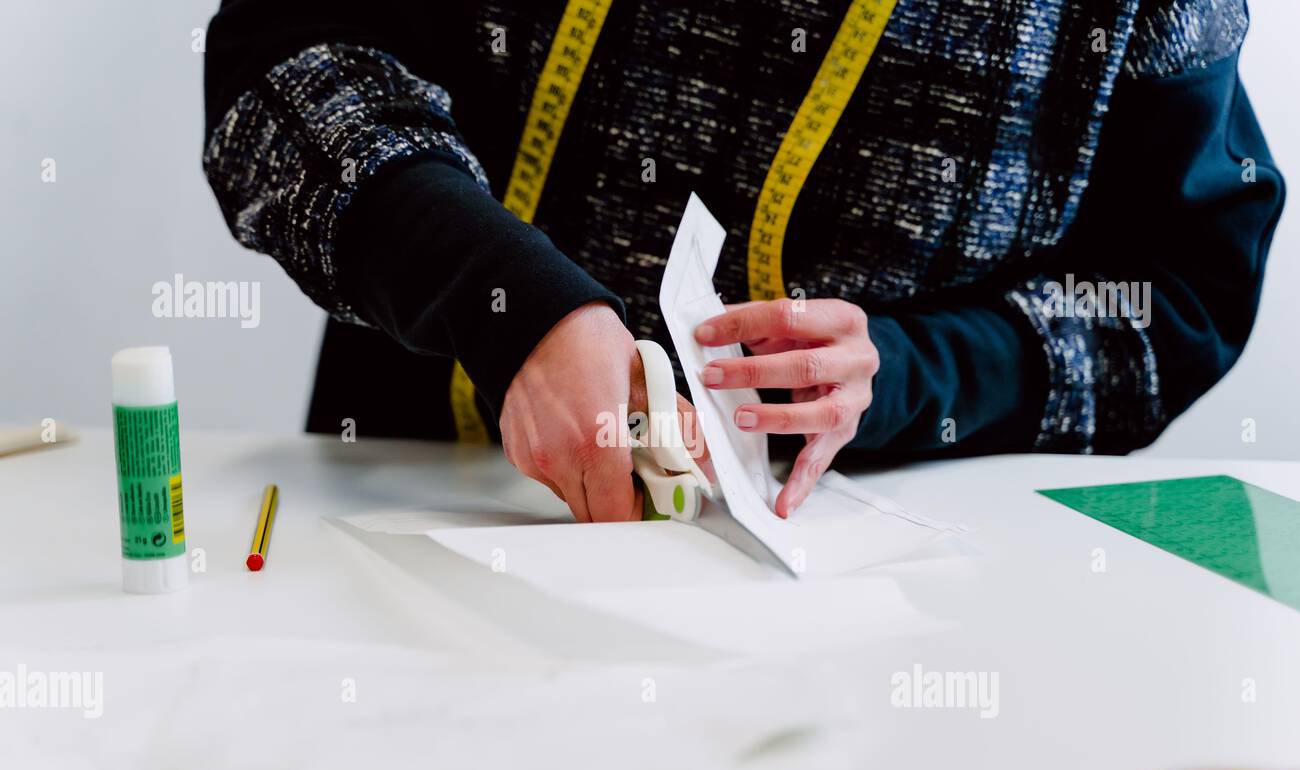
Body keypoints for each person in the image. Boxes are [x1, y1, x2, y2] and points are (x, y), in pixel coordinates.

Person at [202, 0, 1283, 521]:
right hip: (415, 519)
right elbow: (284, 64)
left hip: (867, 594)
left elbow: (1178, 288)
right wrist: (507, 307)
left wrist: (912, 372)